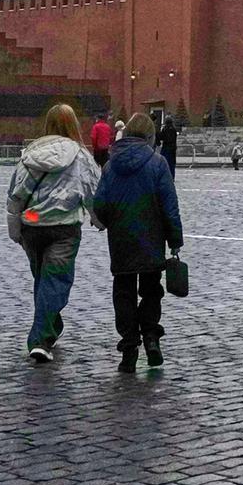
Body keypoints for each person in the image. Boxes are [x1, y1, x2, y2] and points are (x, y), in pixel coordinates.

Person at [90, 110, 184, 372]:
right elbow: (169, 206)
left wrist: (111, 222)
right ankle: (151, 337)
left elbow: (99, 204)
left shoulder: (110, 165)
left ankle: (129, 348)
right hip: (151, 240)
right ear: (150, 136)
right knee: (152, 290)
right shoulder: (158, 164)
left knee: (124, 293)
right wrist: (175, 239)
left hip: (121, 241)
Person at [8, 104, 101, 364]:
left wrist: (14, 225)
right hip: (64, 227)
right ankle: (40, 339)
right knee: (55, 280)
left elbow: (15, 191)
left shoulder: (31, 153)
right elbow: (93, 192)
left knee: (43, 278)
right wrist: (98, 219)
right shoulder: (81, 157)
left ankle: (51, 326)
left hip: (32, 225)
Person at [155, 106, 181, 172]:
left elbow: (161, 137)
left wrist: (158, 139)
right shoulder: (174, 129)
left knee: (164, 162)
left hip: (166, 148)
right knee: (172, 164)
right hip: (172, 149)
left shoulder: (165, 129)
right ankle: (172, 176)